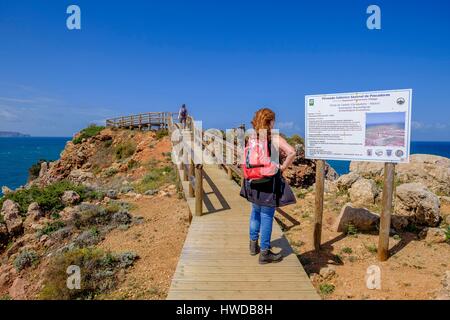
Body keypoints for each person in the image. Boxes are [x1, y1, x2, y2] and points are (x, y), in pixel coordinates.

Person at [240, 108, 297, 264]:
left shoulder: (252, 138)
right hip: (267, 183)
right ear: (270, 122)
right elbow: (292, 152)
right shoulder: (274, 138)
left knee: (255, 212)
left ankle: (253, 245)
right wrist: (283, 167)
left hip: (252, 182)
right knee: (267, 216)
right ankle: (264, 252)